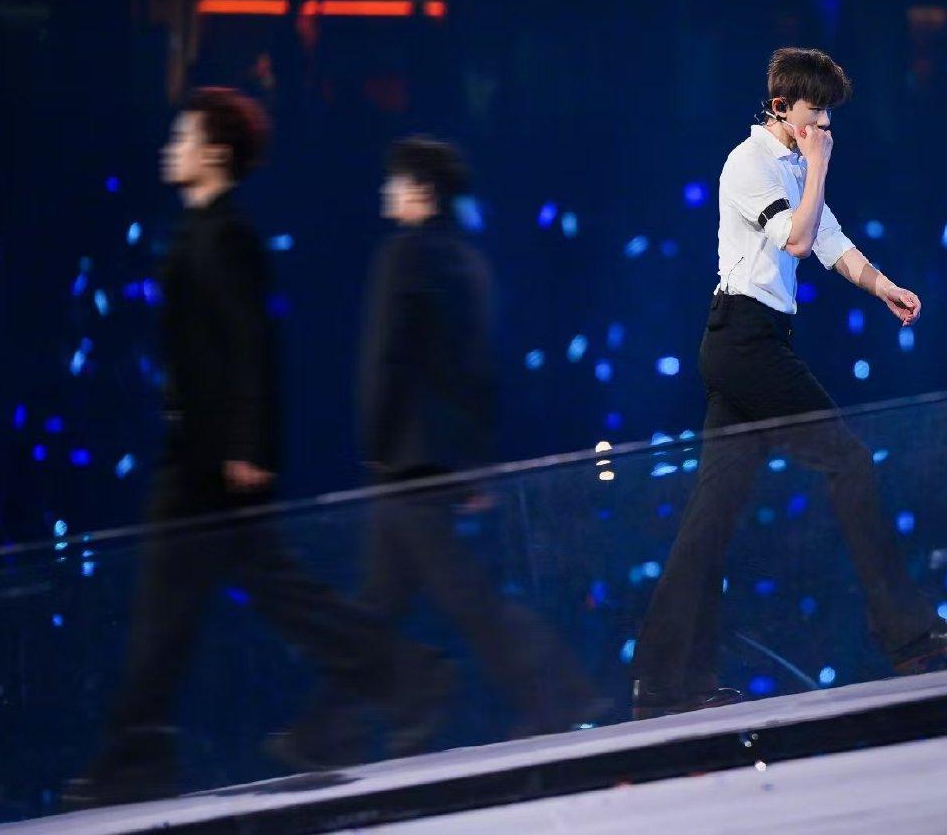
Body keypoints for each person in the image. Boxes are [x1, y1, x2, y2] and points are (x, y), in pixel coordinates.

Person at [66, 90, 449, 806]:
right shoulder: (198, 232)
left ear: (214, 152)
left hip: (214, 462)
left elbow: (251, 345)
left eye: (182, 137)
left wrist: (247, 445)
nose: (170, 148)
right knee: (247, 599)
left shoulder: (228, 237)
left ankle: (137, 757)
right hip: (199, 454)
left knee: (197, 607)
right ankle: (408, 677)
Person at [630, 48, 947, 718]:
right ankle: (908, 634)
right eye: (815, 113)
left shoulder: (796, 166)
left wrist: (884, 287)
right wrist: (819, 165)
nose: (824, 126)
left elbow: (829, 241)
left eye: (828, 115)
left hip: (756, 340)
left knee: (710, 520)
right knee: (848, 461)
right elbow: (796, 241)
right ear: (781, 107)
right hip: (744, 340)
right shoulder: (750, 163)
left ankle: (663, 682)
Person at [278, 138, 605, 762]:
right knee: (382, 599)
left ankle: (556, 694)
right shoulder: (467, 262)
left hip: (403, 457)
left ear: (422, 191)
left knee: (462, 595)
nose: (387, 192)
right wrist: (475, 461)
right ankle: (327, 725)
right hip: (445, 457)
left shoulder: (401, 256)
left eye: (396, 181)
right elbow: (479, 371)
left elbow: (384, 358)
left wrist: (374, 442)